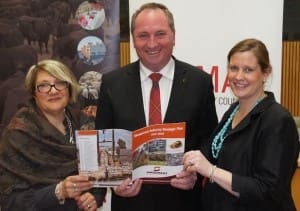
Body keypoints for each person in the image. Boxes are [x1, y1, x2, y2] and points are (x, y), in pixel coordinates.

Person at [95, 2, 218, 211]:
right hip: (130, 204)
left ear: (174, 36)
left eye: (160, 34)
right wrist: (116, 183)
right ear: (133, 40)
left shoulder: (200, 82)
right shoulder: (111, 84)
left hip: (184, 203)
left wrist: (195, 174)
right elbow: (104, 140)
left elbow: (209, 140)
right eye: (143, 35)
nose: (152, 44)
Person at [183, 38, 300, 211]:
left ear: (266, 73)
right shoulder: (233, 110)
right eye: (233, 68)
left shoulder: (278, 120)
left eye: (248, 70)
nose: (238, 77)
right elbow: (213, 152)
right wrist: (189, 170)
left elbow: (268, 192)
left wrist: (211, 171)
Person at [0, 59, 106, 210]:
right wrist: (58, 191)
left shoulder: (83, 122)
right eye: (43, 85)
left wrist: (94, 196)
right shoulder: (18, 134)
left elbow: (97, 175)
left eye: (60, 83)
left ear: (69, 88)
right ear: (33, 93)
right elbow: (9, 200)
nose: (53, 90)